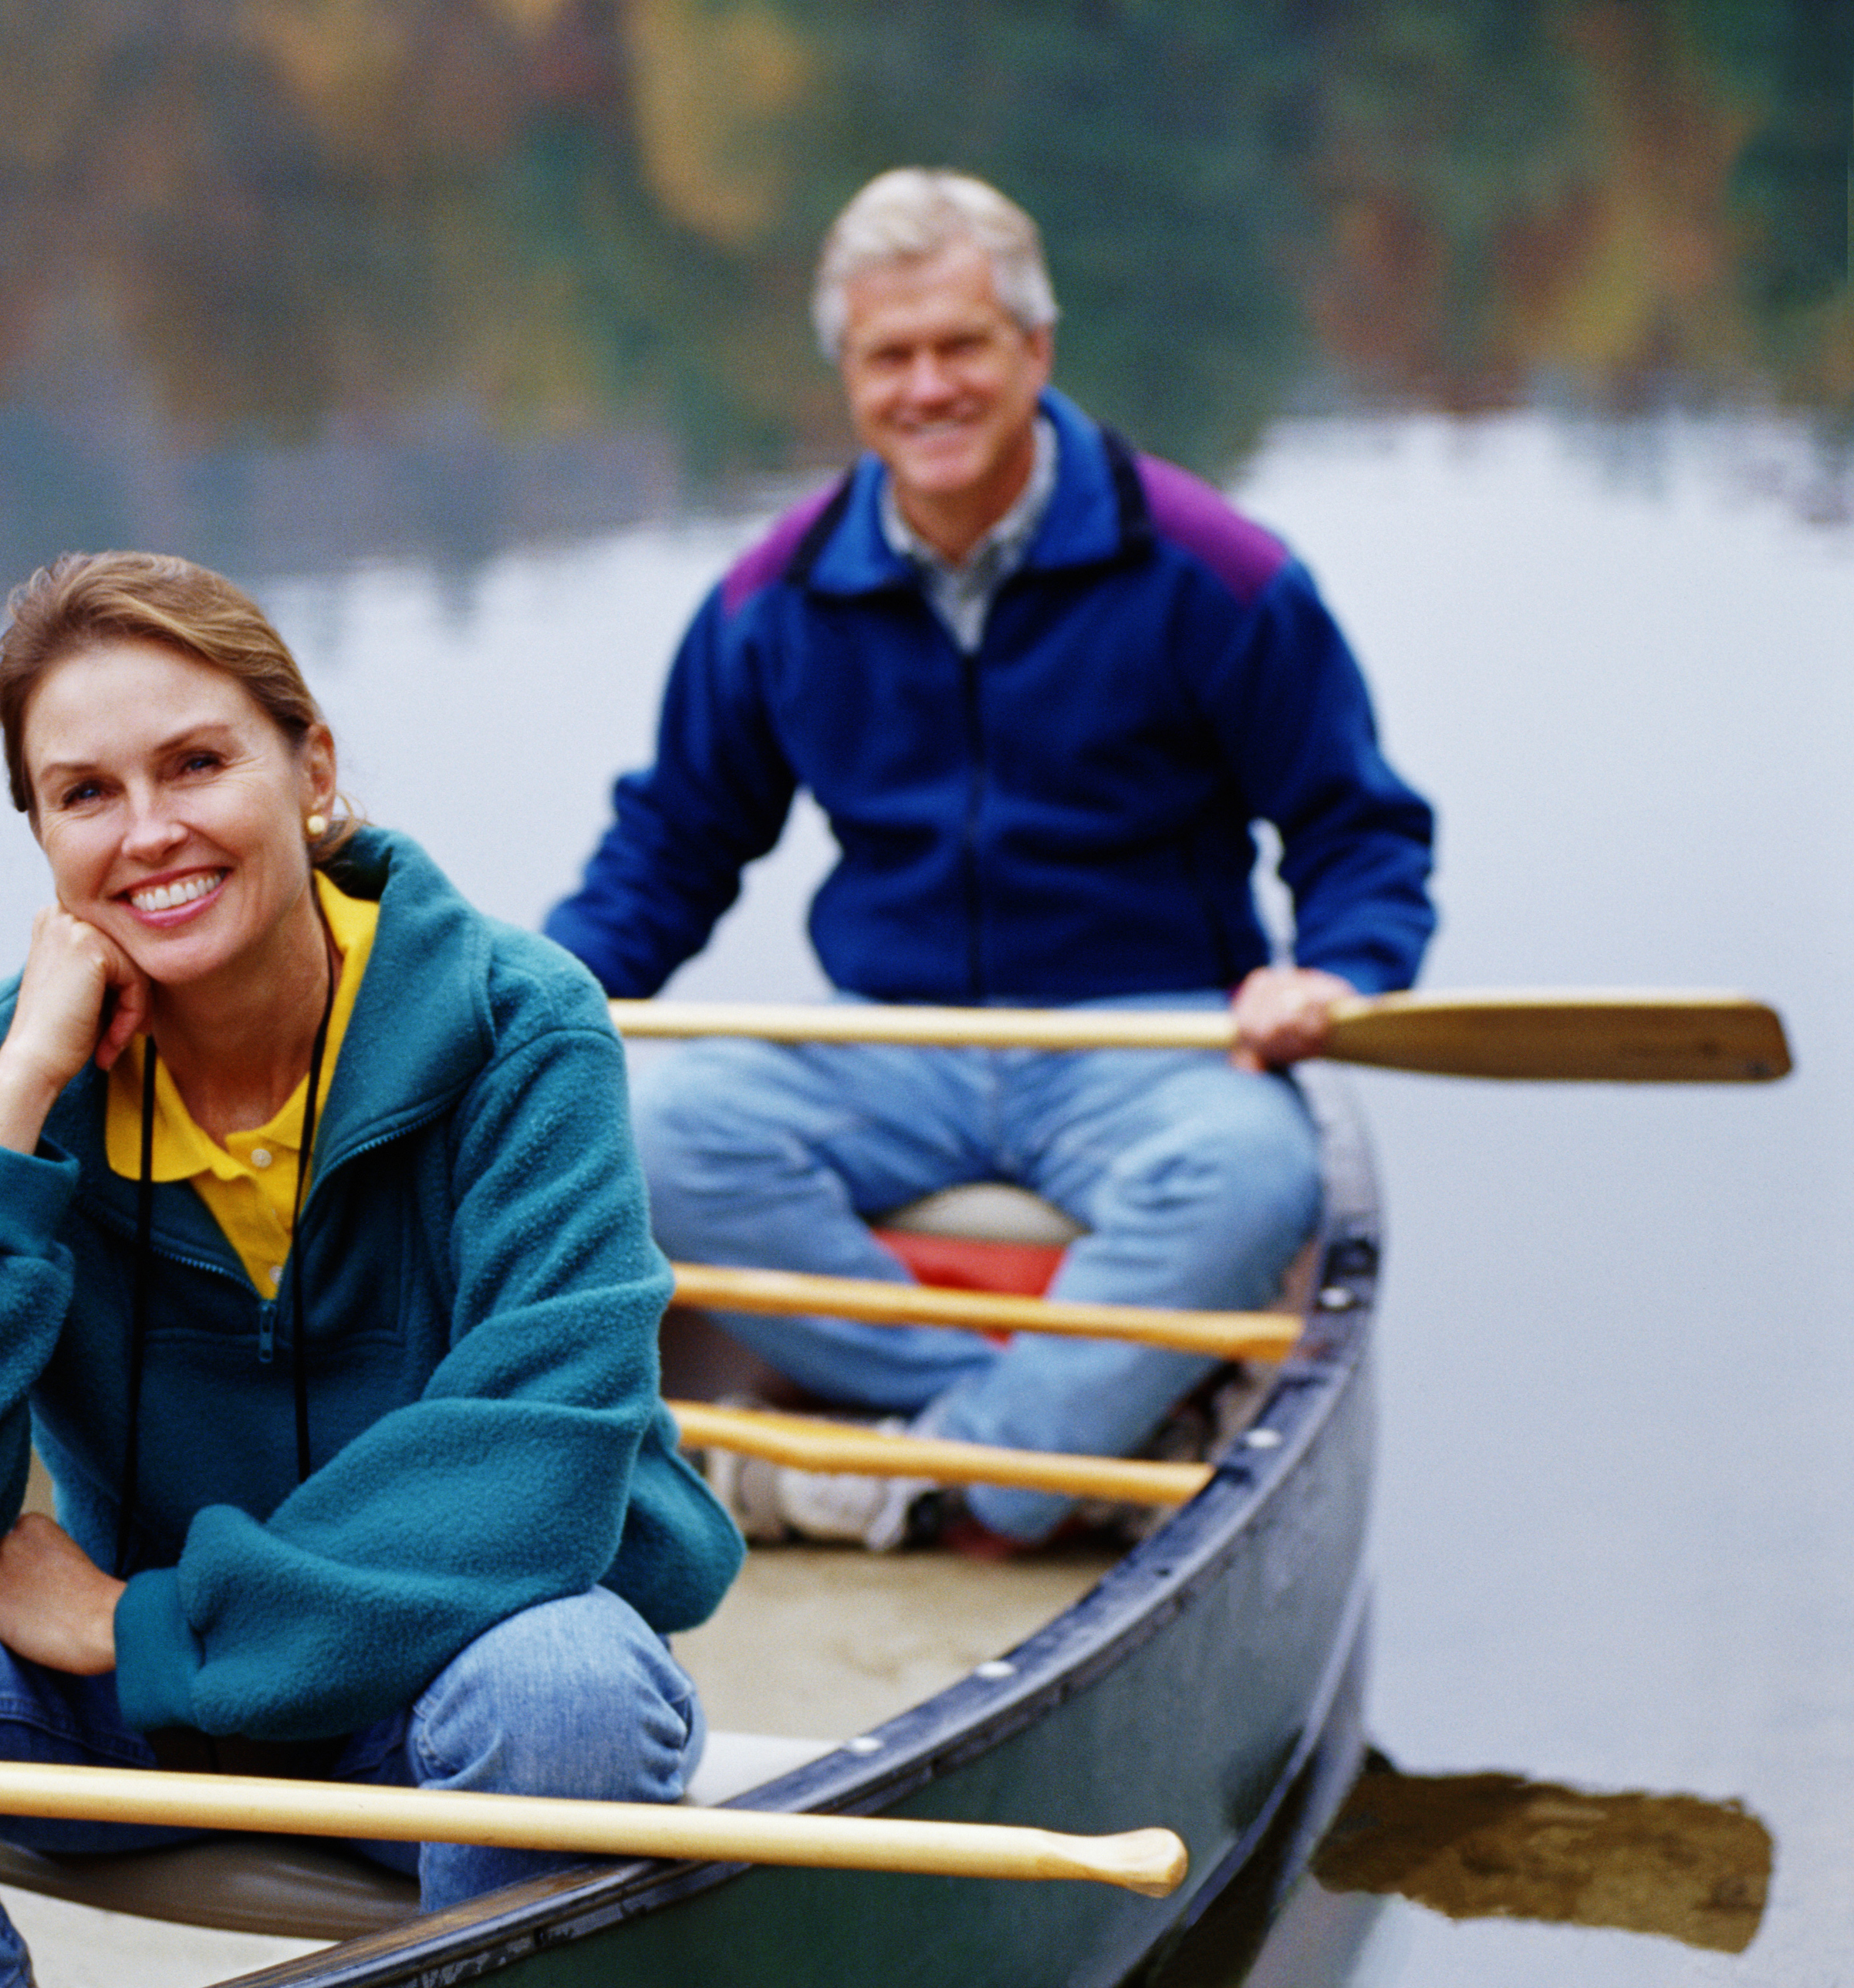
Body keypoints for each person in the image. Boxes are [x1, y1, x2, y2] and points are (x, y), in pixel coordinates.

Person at [0, 551, 744, 1988]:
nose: (150, 833)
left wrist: (145, 1622)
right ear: (44, 837)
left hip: (432, 1688)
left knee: (566, 1681)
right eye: (86, 793)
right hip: (127, 1704)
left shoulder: (523, 1029)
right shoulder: (0, 1062)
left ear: (310, 768)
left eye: (197, 764)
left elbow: (540, 1468)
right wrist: (16, 1105)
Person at [543, 168, 1436, 1556]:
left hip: (1149, 1038)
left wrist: (1336, 969)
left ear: (1037, 350)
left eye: (962, 345)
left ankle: (951, 1475)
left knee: (1259, 1178)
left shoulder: (1217, 574)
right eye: (889, 356)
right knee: (656, 1139)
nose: (928, 387)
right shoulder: (774, 600)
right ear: (848, 375)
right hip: (892, 1037)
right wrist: (536, 1008)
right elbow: (670, 845)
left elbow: (1357, 828)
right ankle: (1049, 1437)